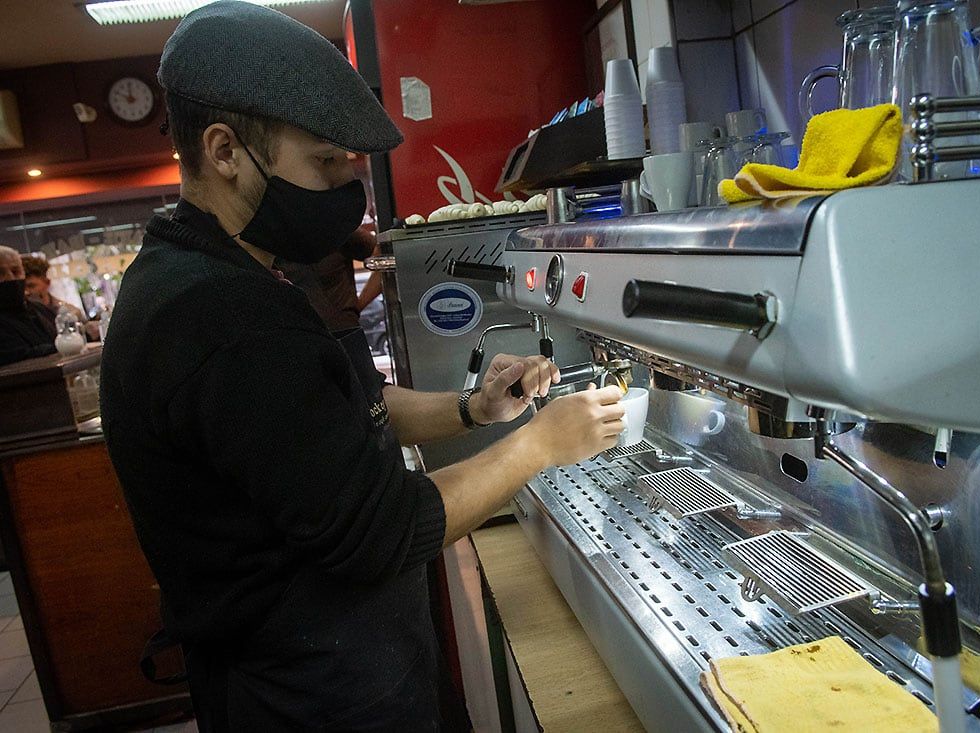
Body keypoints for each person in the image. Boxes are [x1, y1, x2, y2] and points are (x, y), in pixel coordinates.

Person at [98, 3, 624, 731]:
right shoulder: (220, 316)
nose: (350, 187)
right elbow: (385, 531)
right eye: (325, 162)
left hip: (341, 665)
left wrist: (473, 408)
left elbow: (339, 409)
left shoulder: (220, 269)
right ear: (223, 151)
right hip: (309, 696)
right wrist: (542, 443)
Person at [0, 245, 57, 367]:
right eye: (1, 273)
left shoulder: (40, 310)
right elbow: (15, 355)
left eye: (16, 271)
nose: (10, 278)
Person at [21, 254, 83, 318]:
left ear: (47, 282)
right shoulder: (20, 317)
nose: (26, 292)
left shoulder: (71, 313)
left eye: (31, 286)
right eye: (21, 287)